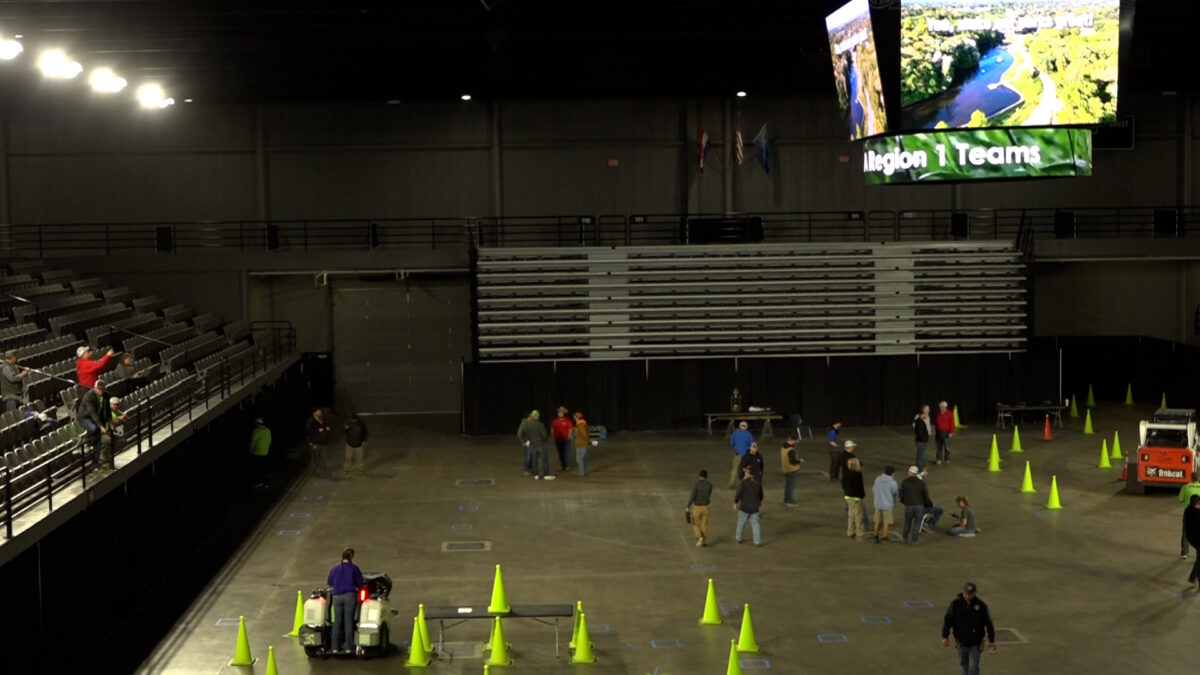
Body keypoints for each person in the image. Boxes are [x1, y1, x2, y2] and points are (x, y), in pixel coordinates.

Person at [941, 581, 997, 675]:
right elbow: (948, 620)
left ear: (974, 593)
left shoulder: (981, 606)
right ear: (963, 592)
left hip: (975, 642)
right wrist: (945, 636)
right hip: (961, 642)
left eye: (970, 594)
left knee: (973, 667)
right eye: (966, 593)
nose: (968, 596)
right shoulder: (955, 604)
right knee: (964, 665)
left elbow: (989, 623)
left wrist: (992, 640)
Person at [327, 547, 365, 655]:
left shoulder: (335, 568)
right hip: (349, 596)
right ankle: (349, 647)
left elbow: (329, 581)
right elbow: (360, 583)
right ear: (351, 556)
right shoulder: (354, 568)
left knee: (337, 622)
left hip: (336, 597)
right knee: (348, 622)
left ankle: (334, 647)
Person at [77, 380, 108, 473]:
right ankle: (85, 440)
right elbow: (92, 412)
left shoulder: (105, 395)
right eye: (99, 389)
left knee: (98, 441)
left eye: (102, 389)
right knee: (94, 429)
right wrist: (101, 426)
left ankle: (95, 462)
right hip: (85, 418)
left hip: (96, 418)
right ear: (95, 388)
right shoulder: (89, 396)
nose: (100, 391)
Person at [900, 465, 932, 545]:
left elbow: (901, 495)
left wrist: (905, 502)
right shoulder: (921, 483)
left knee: (907, 523)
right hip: (919, 506)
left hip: (909, 505)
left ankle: (905, 539)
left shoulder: (905, 482)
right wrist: (928, 504)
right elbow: (925, 496)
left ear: (910, 472)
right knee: (917, 524)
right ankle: (914, 541)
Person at [734, 466, 763, 546]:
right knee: (755, 524)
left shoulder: (743, 483)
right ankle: (757, 541)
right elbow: (761, 495)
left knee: (741, 523)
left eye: (746, 472)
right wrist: (759, 501)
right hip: (754, 508)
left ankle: (739, 538)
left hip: (744, 507)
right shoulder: (757, 484)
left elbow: (738, 493)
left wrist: (735, 502)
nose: (745, 473)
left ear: (749, 474)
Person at [843, 456, 868, 540]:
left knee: (851, 515)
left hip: (848, 497)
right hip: (856, 498)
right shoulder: (857, 474)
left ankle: (850, 531)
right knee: (858, 515)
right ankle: (859, 532)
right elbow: (859, 487)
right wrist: (861, 495)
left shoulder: (846, 473)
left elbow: (843, 485)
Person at [686, 469, 713, 547]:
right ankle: (703, 541)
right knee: (704, 525)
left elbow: (693, 496)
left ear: (699, 476)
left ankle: (699, 537)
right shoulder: (710, 485)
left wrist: (688, 506)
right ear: (706, 476)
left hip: (697, 507)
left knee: (695, 523)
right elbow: (709, 493)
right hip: (706, 507)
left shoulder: (696, 485)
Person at [872, 465, 899, 544]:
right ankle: (885, 537)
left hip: (878, 503)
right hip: (887, 505)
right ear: (892, 473)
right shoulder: (893, 483)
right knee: (886, 522)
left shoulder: (878, 479)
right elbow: (895, 493)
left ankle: (876, 536)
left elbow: (874, 490)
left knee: (877, 521)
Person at [523, 409, 552, 480]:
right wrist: (545, 439)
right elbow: (544, 435)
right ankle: (546, 475)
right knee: (545, 459)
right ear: (538, 416)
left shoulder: (527, 425)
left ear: (532, 416)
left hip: (532, 445)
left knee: (534, 460)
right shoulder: (540, 424)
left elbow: (526, 434)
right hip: (541, 445)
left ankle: (536, 475)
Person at [306, 407, 331, 478]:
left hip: (324, 442)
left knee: (324, 458)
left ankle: (323, 472)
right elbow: (309, 431)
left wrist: (327, 428)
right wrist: (317, 430)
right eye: (318, 412)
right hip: (316, 443)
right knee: (315, 459)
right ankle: (314, 472)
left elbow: (325, 426)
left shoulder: (322, 419)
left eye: (320, 411)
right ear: (314, 413)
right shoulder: (311, 421)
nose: (320, 413)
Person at [780, 435, 803, 506]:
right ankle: (789, 500)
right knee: (791, 486)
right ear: (792, 441)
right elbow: (793, 461)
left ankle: (786, 499)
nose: (796, 443)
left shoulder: (783, 447)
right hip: (792, 469)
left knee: (788, 485)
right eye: (795, 441)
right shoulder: (791, 450)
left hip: (786, 469)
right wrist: (800, 461)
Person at [249, 417, 272, 488]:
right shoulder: (268, 431)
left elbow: (253, 442)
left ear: (257, 424)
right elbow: (270, 441)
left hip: (257, 453)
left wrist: (250, 450)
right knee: (265, 469)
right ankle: (266, 483)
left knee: (257, 469)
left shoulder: (256, 431)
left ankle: (259, 482)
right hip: (265, 453)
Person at [729, 421, 753, 488]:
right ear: (746, 427)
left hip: (737, 454)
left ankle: (731, 483)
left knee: (734, 469)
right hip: (746, 455)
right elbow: (751, 444)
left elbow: (731, 443)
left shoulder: (735, 433)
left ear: (739, 426)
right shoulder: (749, 434)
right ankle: (745, 483)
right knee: (746, 469)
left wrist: (736, 448)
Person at [550, 405, 574, 473]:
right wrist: (553, 436)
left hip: (565, 439)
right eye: (558, 412)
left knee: (567, 453)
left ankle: (567, 465)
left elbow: (570, 429)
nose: (559, 414)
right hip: (558, 439)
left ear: (563, 414)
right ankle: (562, 465)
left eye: (560, 412)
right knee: (560, 453)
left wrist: (568, 437)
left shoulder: (567, 421)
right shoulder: (555, 421)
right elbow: (552, 429)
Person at [1181, 483, 1200, 559]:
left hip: (1188, 512)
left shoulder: (1186, 487)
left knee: (1185, 532)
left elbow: (1180, 499)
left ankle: (1184, 553)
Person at [1185, 494, 1200, 585]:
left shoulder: (1188, 511)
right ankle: (1193, 576)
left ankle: (1194, 577)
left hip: (1193, 539)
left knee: (1199, 559)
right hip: (1198, 540)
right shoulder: (1197, 514)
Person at [914, 404, 932, 472]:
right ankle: (920, 469)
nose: (928, 410)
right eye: (927, 409)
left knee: (921, 455)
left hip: (923, 439)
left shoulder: (926, 418)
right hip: (921, 440)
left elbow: (928, 427)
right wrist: (925, 439)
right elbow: (919, 431)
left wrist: (929, 433)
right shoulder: (919, 420)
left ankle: (920, 466)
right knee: (921, 456)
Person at [573, 411, 591, 476]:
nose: (574, 417)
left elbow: (583, 434)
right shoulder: (582, 423)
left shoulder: (580, 424)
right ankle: (584, 471)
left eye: (575, 416)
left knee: (579, 459)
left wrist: (588, 441)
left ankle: (581, 472)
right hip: (584, 443)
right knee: (584, 458)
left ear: (578, 417)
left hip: (581, 443)